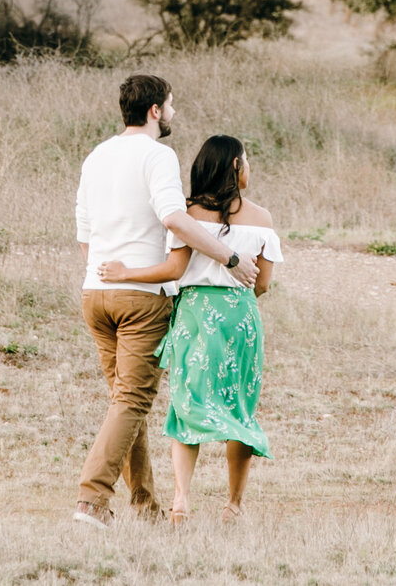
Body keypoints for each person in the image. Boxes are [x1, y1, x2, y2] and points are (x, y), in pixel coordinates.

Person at [72, 75, 258, 530]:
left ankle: (145, 506)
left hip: (96, 292)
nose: (173, 112)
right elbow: (174, 218)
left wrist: (104, 274)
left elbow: (84, 233)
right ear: (155, 110)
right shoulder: (158, 155)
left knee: (123, 401)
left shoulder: (96, 156)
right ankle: (92, 500)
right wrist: (230, 257)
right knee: (132, 401)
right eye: (170, 105)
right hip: (142, 298)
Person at [99, 134, 281, 524]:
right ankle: (233, 504)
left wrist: (125, 273)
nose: (249, 168)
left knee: (187, 407)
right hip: (240, 318)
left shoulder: (189, 214)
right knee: (240, 408)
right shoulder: (262, 219)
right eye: (246, 161)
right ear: (235, 166)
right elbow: (263, 283)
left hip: (195, 316)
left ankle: (181, 500)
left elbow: (172, 270)